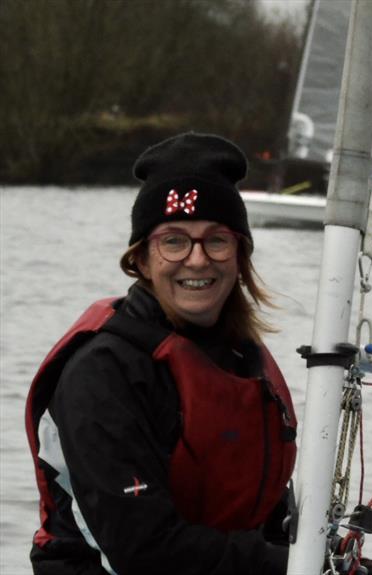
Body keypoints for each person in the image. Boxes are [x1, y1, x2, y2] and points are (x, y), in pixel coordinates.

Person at [25, 133, 298, 574]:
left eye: (217, 240)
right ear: (142, 260)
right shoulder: (101, 374)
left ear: (239, 256)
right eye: (173, 241)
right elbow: (142, 549)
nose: (196, 260)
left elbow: (266, 514)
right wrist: (292, 567)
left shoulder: (243, 362)